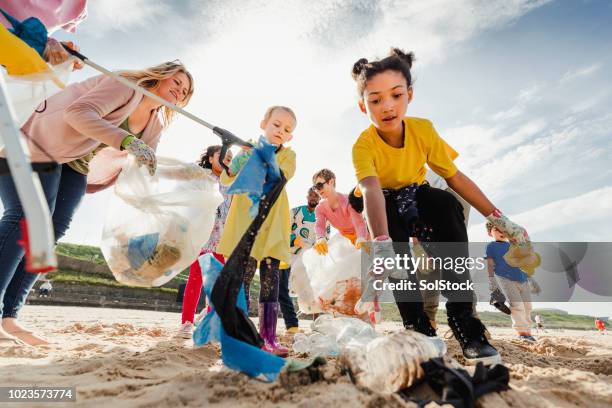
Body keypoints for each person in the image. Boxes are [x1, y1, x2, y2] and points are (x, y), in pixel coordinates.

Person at [350, 48, 533, 365]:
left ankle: (466, 325)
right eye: (375, 100)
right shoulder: (363, 144)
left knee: (446, 203)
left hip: (417, 194)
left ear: (409, 94)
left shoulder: (423, 130)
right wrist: (380, 244)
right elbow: (371, 190)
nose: (387, 106)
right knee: (397, 259)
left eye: (395, 95)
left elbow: (455, 177)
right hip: (382, 202)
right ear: (362, 105)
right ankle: (418, 331)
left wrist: (500, 220)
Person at [0, 61, 194, 346]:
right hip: (37, 144)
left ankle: (9, 317)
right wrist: (127, 140)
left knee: (52, 231)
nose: (179, 91)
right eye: (176, 83)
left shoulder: (155, 123)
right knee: (27, 218)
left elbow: (146, 165)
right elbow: (76, 113)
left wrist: (186, 173)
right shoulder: (124, 85)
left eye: (186, 91)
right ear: (160, 77)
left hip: (75, 165)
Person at [217, 106, 297, 357]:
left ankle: (269, 338)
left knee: (270, 284)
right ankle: (239, 335)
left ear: (290, 137)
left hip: (273, 228)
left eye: (287, 130)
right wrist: (239, 160)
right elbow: (227, 180)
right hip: (246, 226)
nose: (280, 131)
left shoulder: (288, 156)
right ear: (263, 123)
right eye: (276, 124)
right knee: (242, 280)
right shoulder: (246, 151)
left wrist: (259, 157)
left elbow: (277, 176)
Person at [176, 145, 233, 339]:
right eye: (223, 155)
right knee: (195, 279)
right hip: (202, 236)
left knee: (217, 285)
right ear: (210, 158)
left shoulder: (231, 182)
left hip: (222, 240)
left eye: (231, 157)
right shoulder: (201, 176)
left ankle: (210, 323)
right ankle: (186, 323)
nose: (228, 158)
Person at [486, 222, 536, 342]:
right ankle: (522, 332)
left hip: (522, 278)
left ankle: (528, 331)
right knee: (517, 305)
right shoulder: (491, 246)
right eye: (496, 229)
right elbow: (490, 265)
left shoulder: (514, 245)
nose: (501, 232)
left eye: (503, 229)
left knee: (528, 306)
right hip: (505, 278)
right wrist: (493, 286)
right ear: (489, 233)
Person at [311, 168, 368, 255]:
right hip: (345, 239)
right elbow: (320, 225)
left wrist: (361, 238)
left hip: (364, 235)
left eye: (319, 185)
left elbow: (359, 223)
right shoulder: (320, 208)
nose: (318, 190)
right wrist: (320, 238)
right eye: (315, 188)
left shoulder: (348, 201)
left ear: (331, 182)